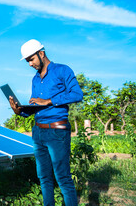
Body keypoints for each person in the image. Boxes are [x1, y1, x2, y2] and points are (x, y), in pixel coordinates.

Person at [9, 39, 83, 206]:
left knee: (63, 177)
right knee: (44, 177)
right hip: (38, 133)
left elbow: (77, 94)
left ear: (41, 54)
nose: (29, 64)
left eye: (31, 59)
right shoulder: (35, 79)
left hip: (57, 131)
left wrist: (49, 101)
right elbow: (37, 106)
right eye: (27, 61)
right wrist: (20, 111)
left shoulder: (62, 70)